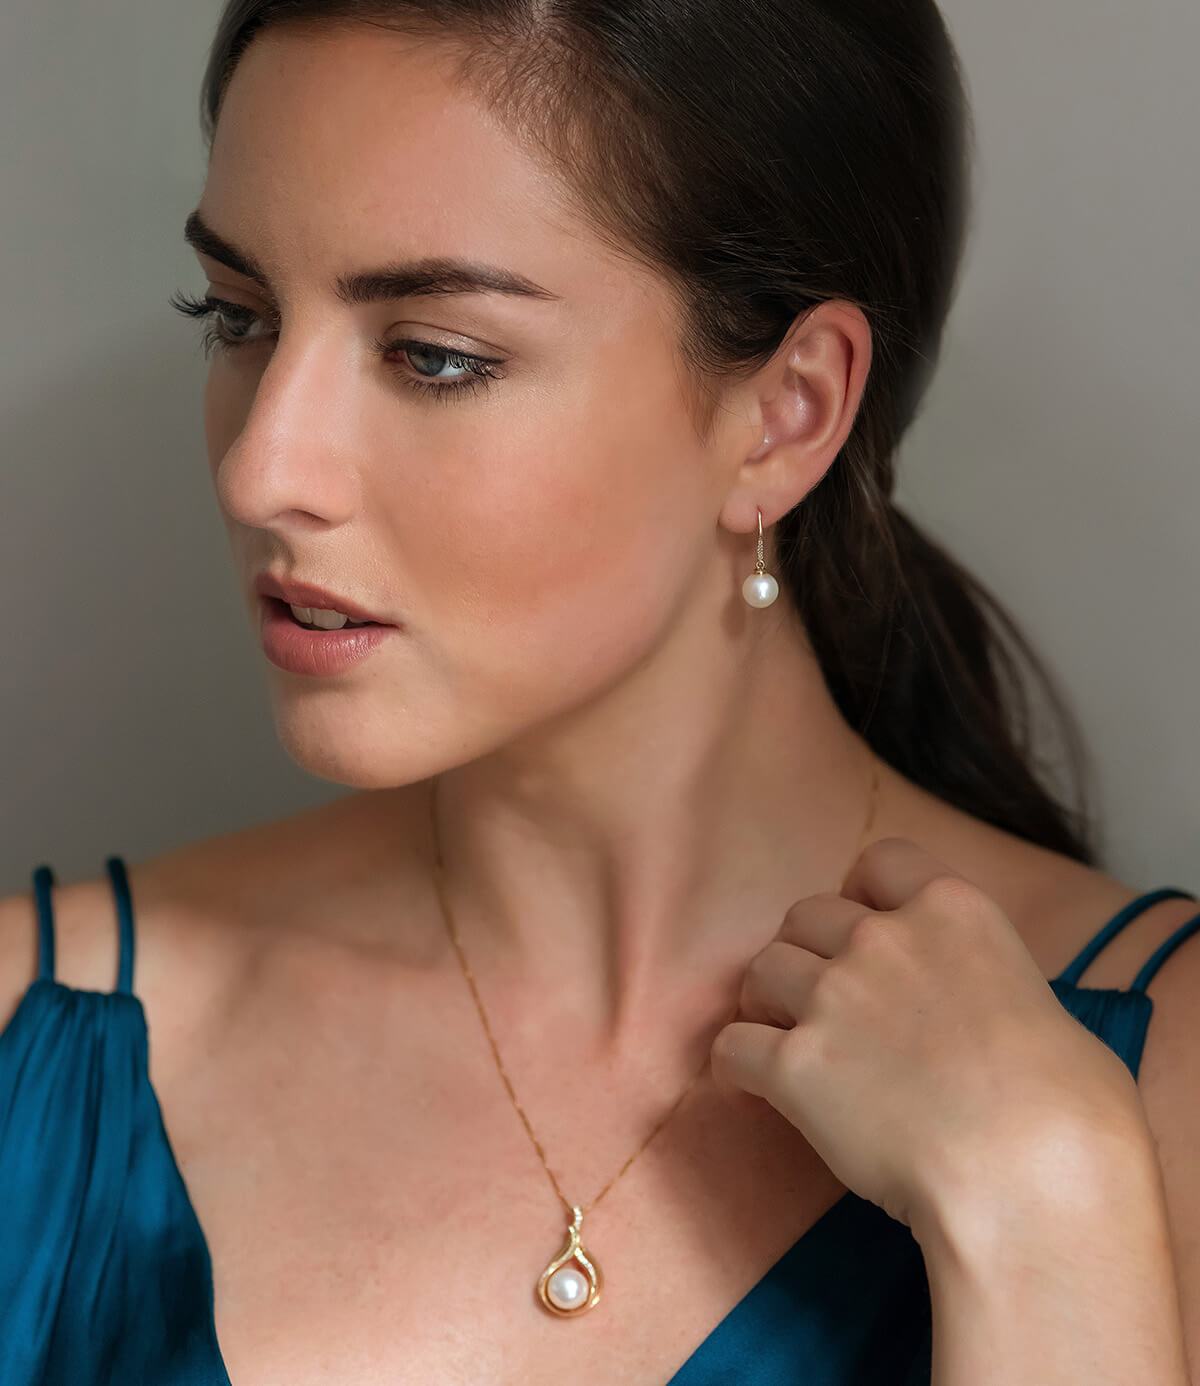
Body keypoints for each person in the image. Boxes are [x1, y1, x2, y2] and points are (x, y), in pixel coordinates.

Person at [2, 3, 1197, 1383]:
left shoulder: (1156, 1083)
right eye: (239, 317)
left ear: (787, 415)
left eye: (435, 355)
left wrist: (1044, 1209)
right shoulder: (34, 1030)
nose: (261, 468)